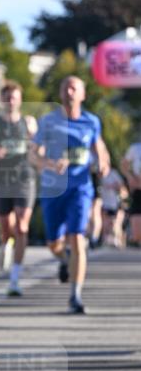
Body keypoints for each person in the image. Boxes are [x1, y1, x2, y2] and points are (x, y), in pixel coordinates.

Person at [32, 76, 110, 314]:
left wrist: (104, 165)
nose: (69, 90)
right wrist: (48, 163)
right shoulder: (48, 122)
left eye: (74, 87)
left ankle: (75, 296)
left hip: (80, 188)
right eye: (65, 86)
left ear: (83, 94)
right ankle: (64, 258)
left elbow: (100, 151)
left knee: (77, 239)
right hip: (53, 189)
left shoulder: (91, 122)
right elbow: (32, 155)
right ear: (60, 93)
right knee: (53, 243)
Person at [0, 82, 37, 296]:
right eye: (7, 97)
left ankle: (15, 277)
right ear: (2, 100)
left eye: (14, 97)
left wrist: (38, 150)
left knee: (21, 226)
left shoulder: (29, 122)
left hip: (24, 178)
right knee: (6, 227)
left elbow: (37, 148)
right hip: (2, 179)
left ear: (20, 100)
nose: (11, 101)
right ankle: (5, 244)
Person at [99, 165, 126, 248]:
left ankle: (118, 239)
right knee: (105, 223)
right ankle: (106, 240)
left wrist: (112, 186)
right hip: (104, 202)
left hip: (114, 203)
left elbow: (121, 186)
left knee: (114, 223)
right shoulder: (98, 175)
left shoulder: (113, 173)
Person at [121, 138, 141, 247]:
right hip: (138, 191)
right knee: (137, 235)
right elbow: (124, 165)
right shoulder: (136, 148)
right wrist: (130, 178)